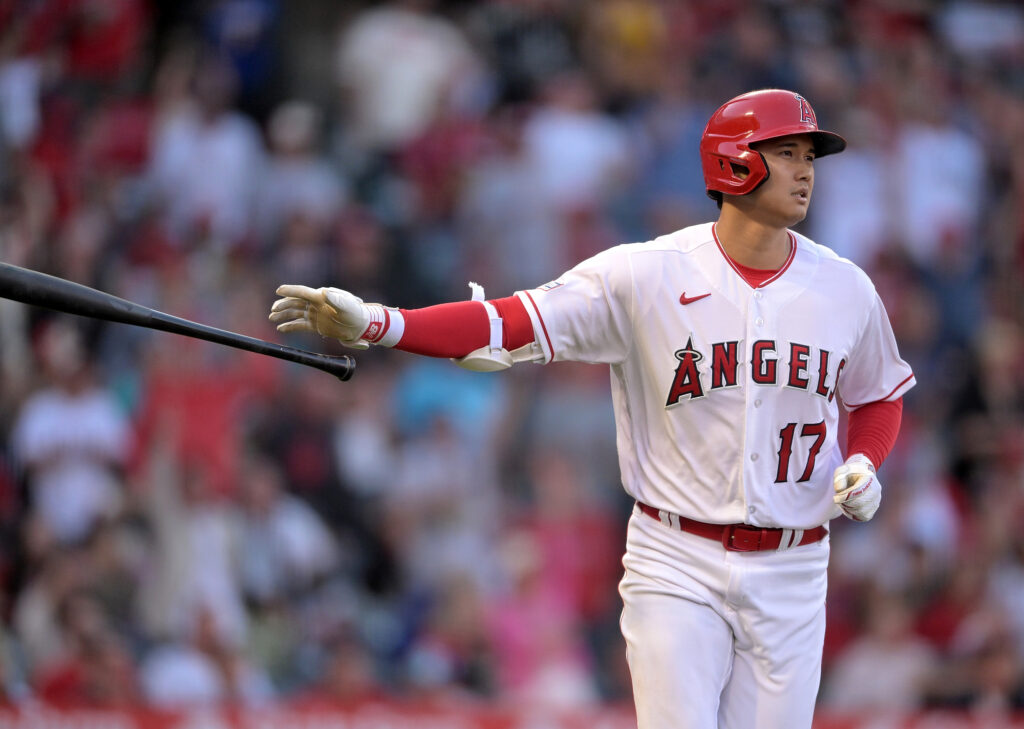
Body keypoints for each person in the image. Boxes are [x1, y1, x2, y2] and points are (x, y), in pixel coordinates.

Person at [268, 89, 915, 728]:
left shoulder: (845, 287)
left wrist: (864, 458)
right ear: (734, 161)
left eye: (810, 154)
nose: (806, 169)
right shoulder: (647, 274)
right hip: (677, 555)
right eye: (788, 150)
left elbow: (879, 394)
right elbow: (509, 321)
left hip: (795, 564)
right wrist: (382, 323)